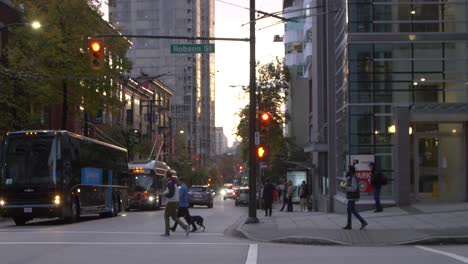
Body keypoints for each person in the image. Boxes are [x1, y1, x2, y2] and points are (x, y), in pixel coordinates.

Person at [161, 172, 190, 237]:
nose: (164, 176)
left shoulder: (170, 183)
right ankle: (185, 227)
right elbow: (169, 191)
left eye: (164, 175)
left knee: (166, 216)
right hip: (175, 201)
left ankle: (167, 232)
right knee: (174, 217)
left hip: (171, 201)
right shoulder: (172, 182)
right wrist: (164, 193)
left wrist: (165, 195)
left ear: (167, 176)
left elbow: (171, 194)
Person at [342, 165, 368, 230]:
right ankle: (349, 225)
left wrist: (346, 188)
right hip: (350, 196)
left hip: (352, 197)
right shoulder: (350, 177)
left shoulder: (353, 177)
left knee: (352, 210)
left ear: (351, 171)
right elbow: (348, 184)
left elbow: (354, 188)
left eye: (348, 169)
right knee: (349, 210)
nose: (347, 170)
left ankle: (363, 222)